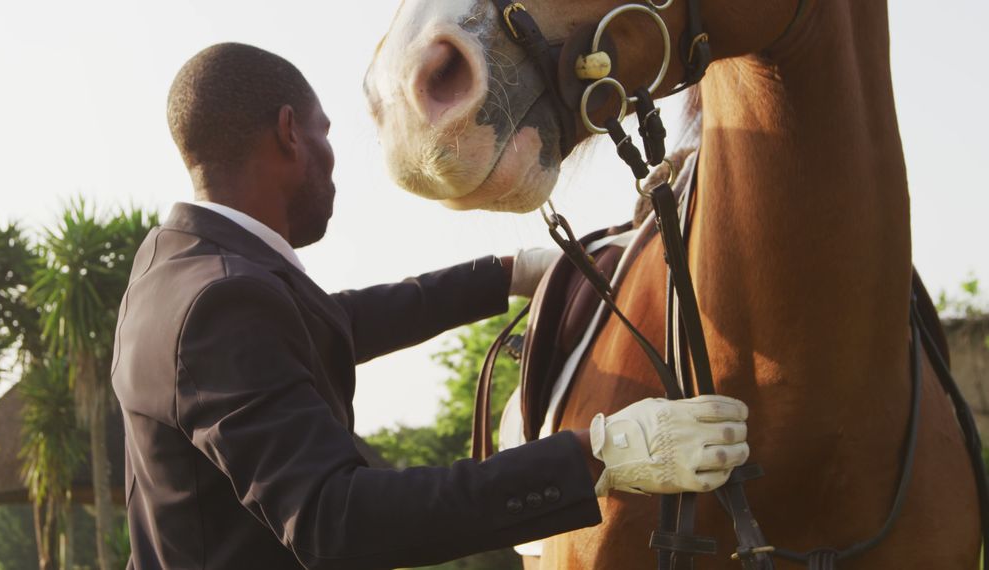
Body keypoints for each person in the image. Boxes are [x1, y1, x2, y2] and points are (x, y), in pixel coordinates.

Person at [110, 42, 750, 570]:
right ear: (288, 135)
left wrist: (507, 273)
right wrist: (598, 456)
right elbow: (338, 522)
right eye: (323, 133)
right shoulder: (223, 301)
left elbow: (333, 323)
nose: (335, 164)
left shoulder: (177, 265)